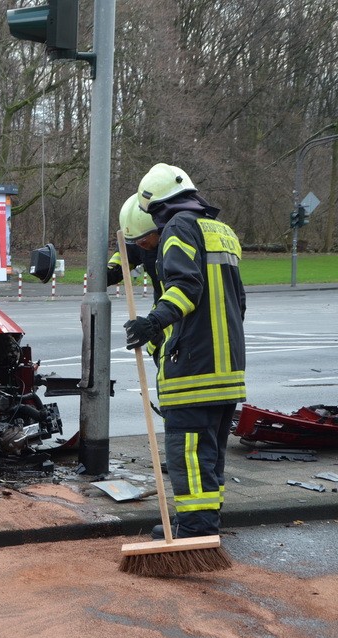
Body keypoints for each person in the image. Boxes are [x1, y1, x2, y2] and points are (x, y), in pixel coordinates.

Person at [123, 163, 246, 540]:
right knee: (209, 455)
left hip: (193, 365)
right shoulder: (221, 231)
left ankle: (195, 530)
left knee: (189, 456)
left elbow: (184, 285)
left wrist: (153, 323)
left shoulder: (179, 227)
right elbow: (237, 300)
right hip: (229, 369)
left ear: (155, 207)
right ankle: (208, 522)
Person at [107, 194, 161, 304]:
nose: (139, 244)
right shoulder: (140, 241)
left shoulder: (177, 244)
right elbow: (125, 255)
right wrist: (108, 273)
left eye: (143, 239)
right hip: (163, 305)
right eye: (135, 239)